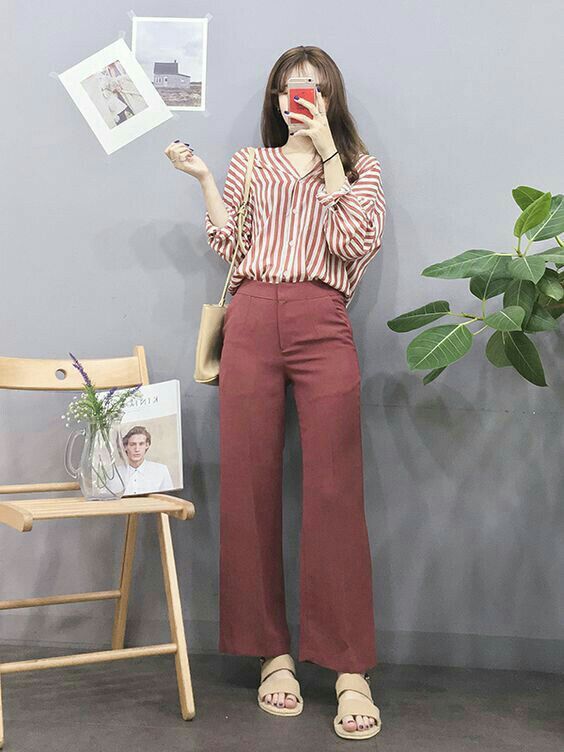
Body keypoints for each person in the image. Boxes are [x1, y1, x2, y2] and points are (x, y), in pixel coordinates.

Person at [165, 44, 386, 740]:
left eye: (313, 88)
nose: (300, 99)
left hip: (323, 317)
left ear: (330, 97)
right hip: (254, 315)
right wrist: (205, 178)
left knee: (335, 489)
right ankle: (273, 655)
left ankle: (349, 669)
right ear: (275, 98)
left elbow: (356, 242)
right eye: (290, 89)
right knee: (249, 484)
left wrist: (328, 155)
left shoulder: (362, 168)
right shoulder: (252, 164)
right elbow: (231, 244)